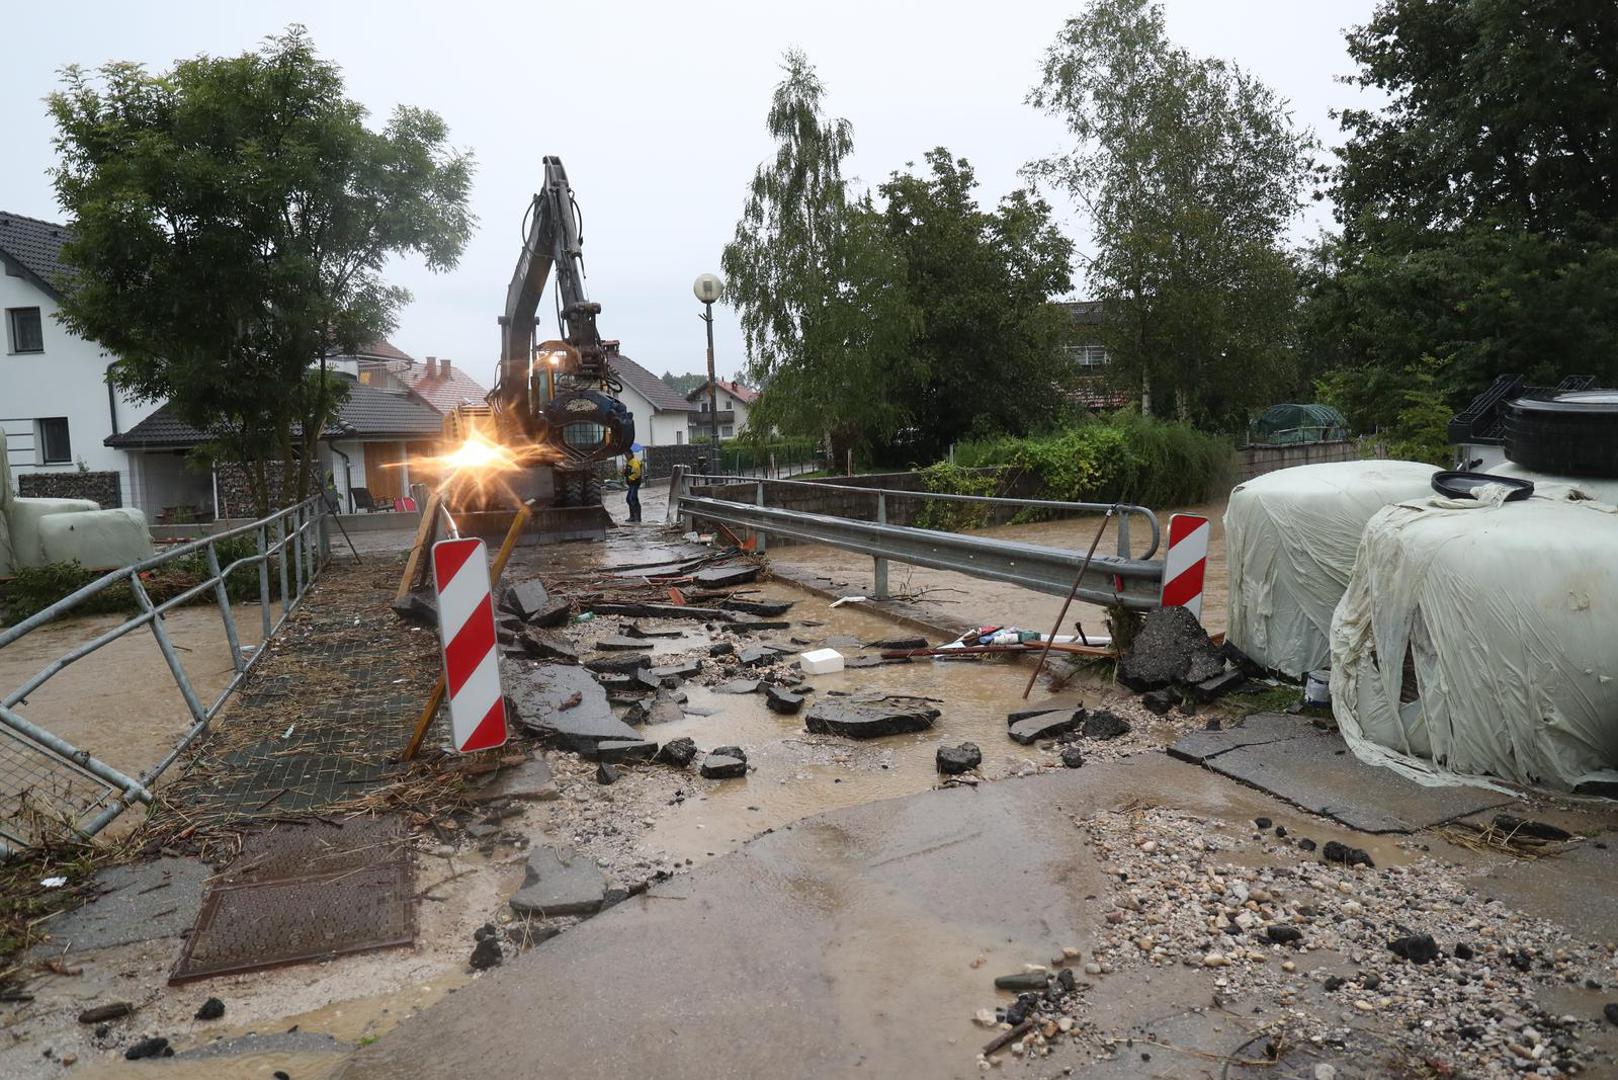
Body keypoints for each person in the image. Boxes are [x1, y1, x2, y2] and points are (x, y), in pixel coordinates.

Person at [622, 446, 644, 523]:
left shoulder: (634, 462)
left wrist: (630, 478)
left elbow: (637, 472)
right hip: (631, 483)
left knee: (633, 498)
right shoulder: (629, 462)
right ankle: (632, 516)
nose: (626, 456)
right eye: (625, 455)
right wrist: (625, 473)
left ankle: (637, 517)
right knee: (629, 499)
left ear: (630, 454)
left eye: (626, 455)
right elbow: (628, 472)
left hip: (635, 483)